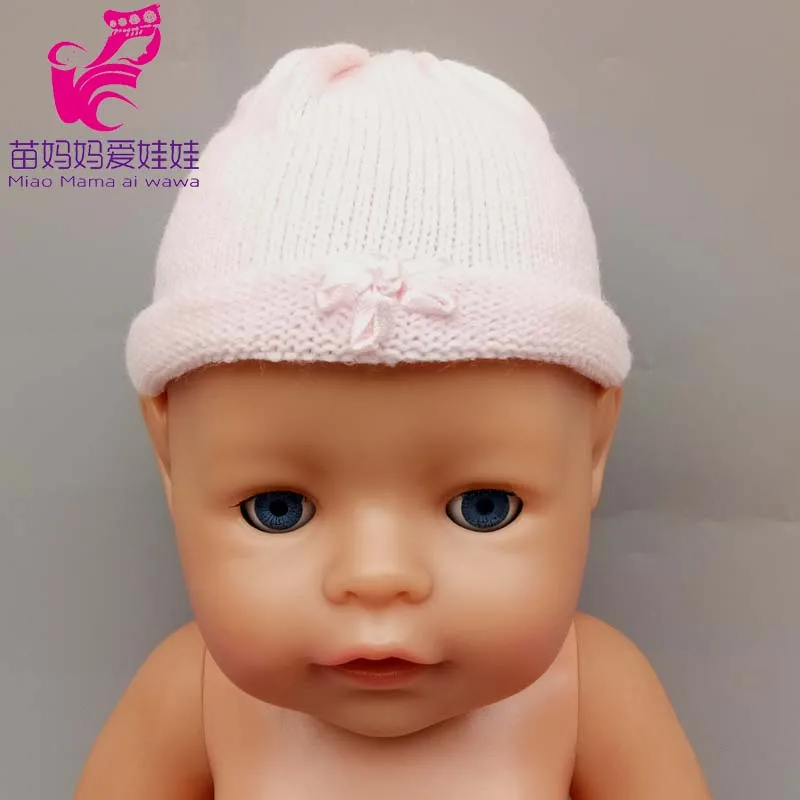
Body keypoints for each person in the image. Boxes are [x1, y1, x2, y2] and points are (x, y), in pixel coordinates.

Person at [75, 42, 712, 799]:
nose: (377, 576)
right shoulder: (196, 695)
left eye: (484, 507)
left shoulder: (589, 692)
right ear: (169, 457)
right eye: (277, 509)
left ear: (594, 449)